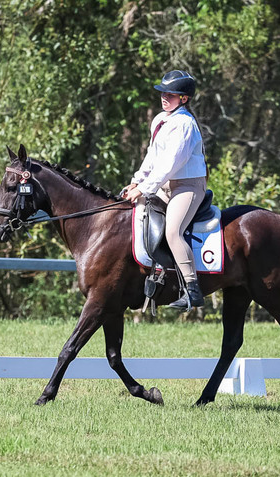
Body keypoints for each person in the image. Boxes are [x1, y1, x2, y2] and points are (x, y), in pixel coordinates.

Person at [122, 70, 207, 311]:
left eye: (170, 94)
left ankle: (192, 290)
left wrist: (146, 188)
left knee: (172, 232)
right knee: (137, 213)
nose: (164, 97)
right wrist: (137, 182)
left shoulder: (184, 125)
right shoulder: (161, 119)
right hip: (166, 185)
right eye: (163, 93)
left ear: (184, 99)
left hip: (188, 186)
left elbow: (170, 164)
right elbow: (153, 157)